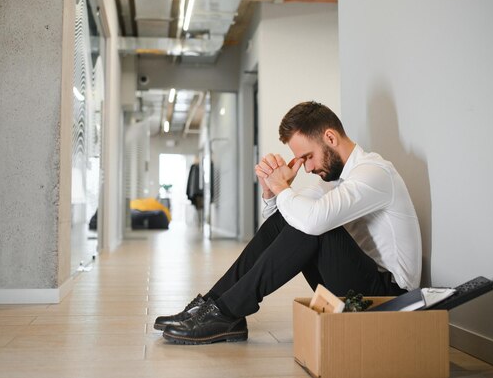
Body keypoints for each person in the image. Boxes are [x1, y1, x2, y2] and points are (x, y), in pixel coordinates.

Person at [155, 101, 422, 345]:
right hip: (357, 288)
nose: (306, 168)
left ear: (330, 137)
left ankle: (225, 313)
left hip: (391, 297)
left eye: (307, 157)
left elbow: (311, 222)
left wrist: (283, 188)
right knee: (298, 217)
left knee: (314, 224)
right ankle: (213, 306)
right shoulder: (334, 180)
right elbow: (284, 225)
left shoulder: (374, 173)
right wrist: (272, 194)